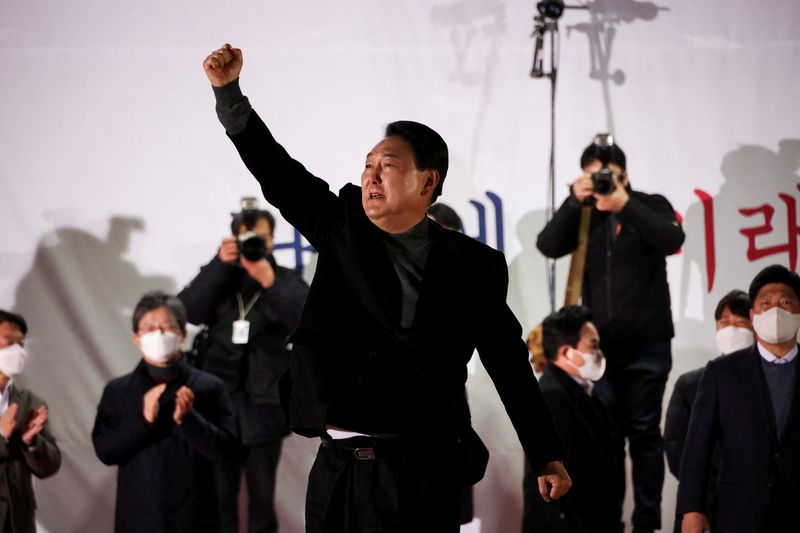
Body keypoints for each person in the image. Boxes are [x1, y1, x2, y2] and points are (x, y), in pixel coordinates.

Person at [202, 43, 570, 532]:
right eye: (368, 164)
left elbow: (508, 363)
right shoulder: (341, 226)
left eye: (389, 165)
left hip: (421, 471)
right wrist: (229, 95)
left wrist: (546, 454)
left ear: (427, 181)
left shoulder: (473, 265)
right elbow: (277, 172)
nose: (372, 175)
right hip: (337, 469)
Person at [536, 135, 684, 532]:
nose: (602, 183)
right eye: (593, 176)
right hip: (600, 349)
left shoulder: (648, 204)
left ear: (626, 176)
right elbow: (548, 246)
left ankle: (647, 523)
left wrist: (624, 204)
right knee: (608, 438)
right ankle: (612, 523)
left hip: (648, 344)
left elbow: (673, 239)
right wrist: (573, 202)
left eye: (609, 176)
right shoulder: (585, 213)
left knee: (645, 435)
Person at [179, 201, 308, 533]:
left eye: (260, 238)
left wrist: (270, 281)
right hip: (217, 406)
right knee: (218, 501)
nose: (253, 245)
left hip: (265, 408)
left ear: (273, 238)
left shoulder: (285, 279)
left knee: (262, 504)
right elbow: (188, 312)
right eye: (246, 237)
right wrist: (217, 266)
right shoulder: (222, 278)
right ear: (233, 238)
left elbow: (305, 323)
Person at [92, 291, 238, 533]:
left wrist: (189, 419)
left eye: (166, 326)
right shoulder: (118, 391)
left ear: (181, 333)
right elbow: (106, 451)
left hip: (197, 521)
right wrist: (143, 421)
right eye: (149, 328)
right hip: (138, 520)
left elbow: (227, 451)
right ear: (137, 338)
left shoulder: (210, 387)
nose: (157, 334)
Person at [678, 265, 800, 533]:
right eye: (765, 303)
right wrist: (691, 509)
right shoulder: (722, 372)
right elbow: (697, 447)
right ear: (753, 315)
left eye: (786, 302)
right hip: (739, 511)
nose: (775, 310)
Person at [522, 305, 624, 533]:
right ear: (568, 352)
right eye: (593, 346)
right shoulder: (552, 397)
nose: (599, 353)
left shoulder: (589, 393)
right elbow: (551, 485)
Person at [663, 289, 753, 529]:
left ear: (755, 325)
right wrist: (701, 492)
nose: (732, 328)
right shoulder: (689, 384)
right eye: (724, 321)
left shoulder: (770, 381)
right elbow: (675, 446)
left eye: (740, 321)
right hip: (702, 503)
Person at [0, 310, 61, 533]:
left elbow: (50, 467)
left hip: (18, 522)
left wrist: (32, 442)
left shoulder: (32, 402)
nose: (17, 351)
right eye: (8, 342)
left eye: (21, 344)